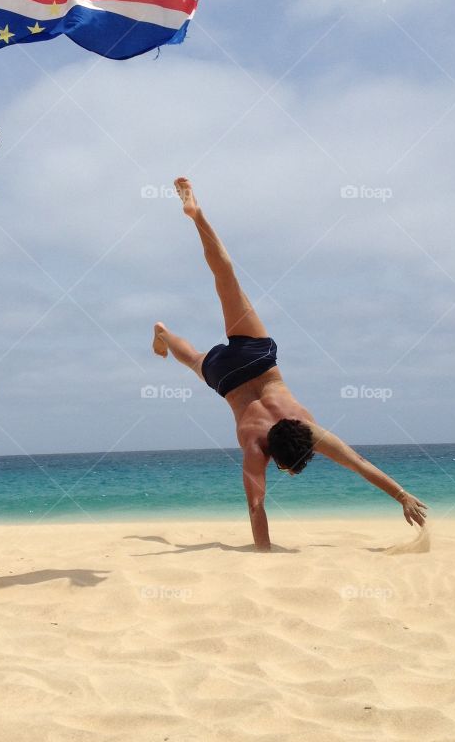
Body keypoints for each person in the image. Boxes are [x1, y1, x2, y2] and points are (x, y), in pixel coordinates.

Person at [152, 178, 428, 550]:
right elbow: (255, 506)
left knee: (227, 278)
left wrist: (403, 495)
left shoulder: (306, 427)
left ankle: (197, 216)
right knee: (193, 360)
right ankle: (165, 335)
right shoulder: (254, 447)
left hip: (256, 357)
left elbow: (359, 463)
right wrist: (263, 552)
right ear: (274, 455)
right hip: (226, 379)